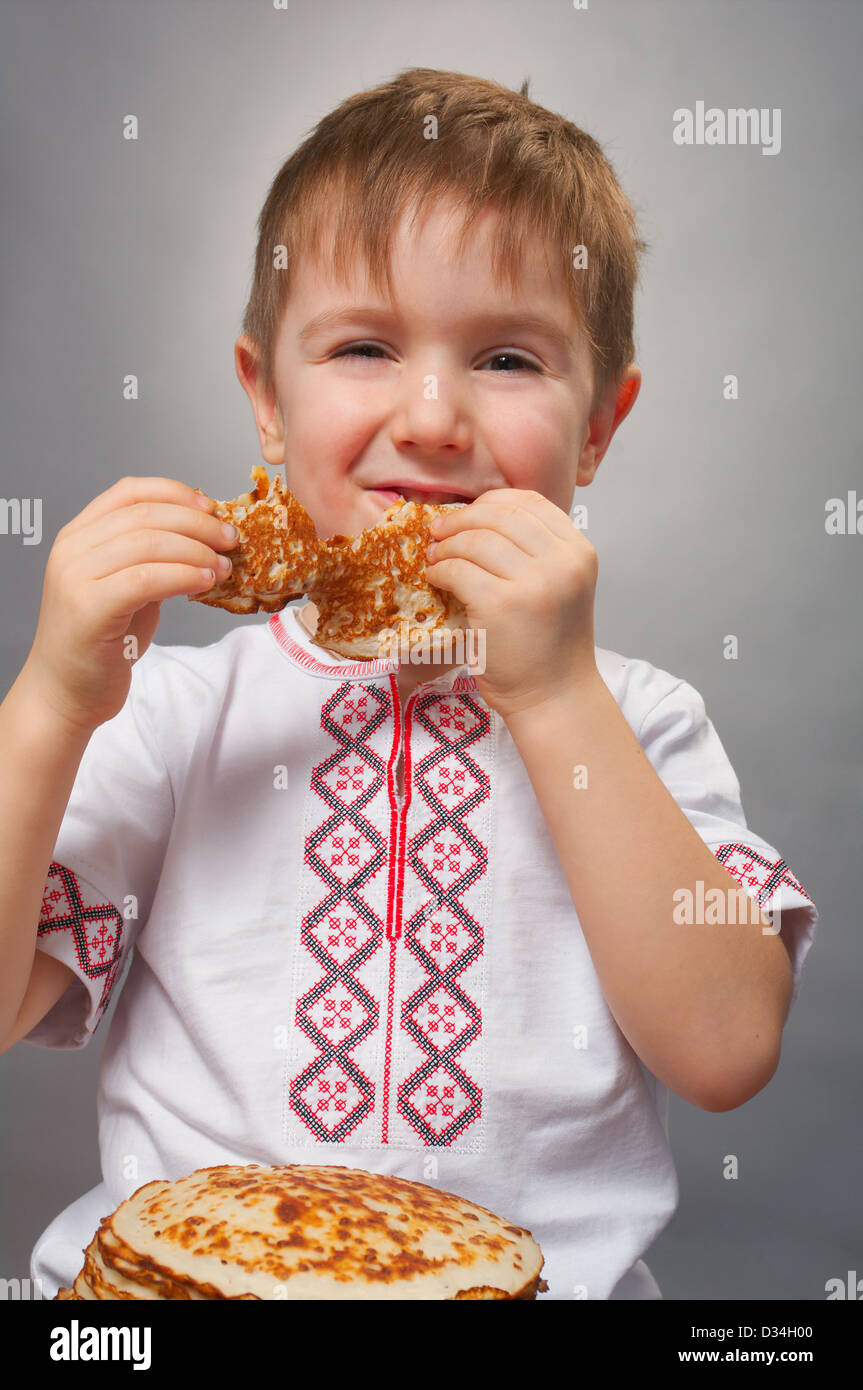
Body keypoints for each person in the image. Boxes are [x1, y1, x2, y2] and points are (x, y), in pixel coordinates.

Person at [0, 67, 817, 1301]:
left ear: (598, 423)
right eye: (366, 346)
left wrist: (552, 701)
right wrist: (49, 706)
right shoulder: (169, 714)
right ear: (266, 395)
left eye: (503, 357)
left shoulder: (638, 718)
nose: (431, 418)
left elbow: (724, 1052)